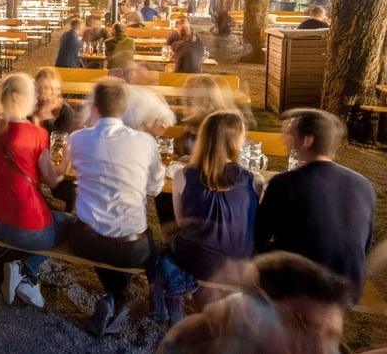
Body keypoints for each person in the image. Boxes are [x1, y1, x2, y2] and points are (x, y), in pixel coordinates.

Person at [68, 77, 165, 336]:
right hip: (130, 248)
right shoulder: (145, 142)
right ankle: (126, 297)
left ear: (95, 107)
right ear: (124, 109)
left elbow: (75, 168)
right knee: (151, 240)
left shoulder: (78, 139)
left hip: (85, 242)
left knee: (95, 222)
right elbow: (155, 188)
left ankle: (114, 296)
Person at [255, 108, 375, 300]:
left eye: (289, 134)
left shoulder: (285, 183)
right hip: (350, 283)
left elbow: (258, 236)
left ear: (307, 140)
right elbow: (366, 243)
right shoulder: (363, 184)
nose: (283, 138)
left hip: (304, 283)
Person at [0, 73, 71, 309]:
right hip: (27, 228)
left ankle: (27, 280)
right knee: (72, 224)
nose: (37, 98)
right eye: (33, 93)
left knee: (57, 219)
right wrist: (66, 160)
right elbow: (53, 181)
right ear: (18, 97)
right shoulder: (37, 134)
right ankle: (25, 269)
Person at [157, 252, 351, 354]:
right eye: (301, 325)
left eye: (331, 335)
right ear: (251, 312)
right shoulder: (192, 341)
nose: (321, 350)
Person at [169, 111, 258, 283]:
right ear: (235, 142)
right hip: (239, 264)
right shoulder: (252, 180)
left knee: (169, 248)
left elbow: (181, 223)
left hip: (199, 263)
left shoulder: (182, 176)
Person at [30, 67, 77, 212]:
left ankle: (65, 212)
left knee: (65, 182)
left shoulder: (65, 111)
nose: (45, 94)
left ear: (57, 91)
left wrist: (46, 117)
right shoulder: (27, 108)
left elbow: (57, 144)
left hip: (54, 157)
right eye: (41, 88)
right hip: (30, 155)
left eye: (50, 89)